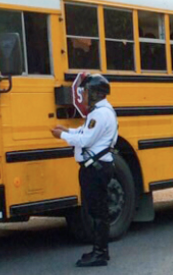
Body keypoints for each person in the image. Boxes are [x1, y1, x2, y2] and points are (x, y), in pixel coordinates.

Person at [50, 73, 117, 267]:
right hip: (95, 168)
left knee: (98, 212)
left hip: (95, 170)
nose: (83, 96)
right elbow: (84, 132)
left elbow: (85, 140)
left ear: (95, 93)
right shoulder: (100, 112)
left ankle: (100, 253)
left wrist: (62, 135)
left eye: (86, 92)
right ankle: (99, 250)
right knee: (96, 211)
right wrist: (67, 130)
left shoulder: (99, 114)